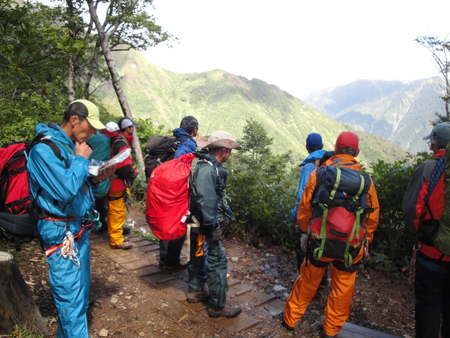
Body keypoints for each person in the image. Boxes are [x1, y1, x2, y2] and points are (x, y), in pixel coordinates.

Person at [27, 99, 115, 337]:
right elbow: (64, 190)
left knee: (80, 296)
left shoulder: (68, 147)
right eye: (90, 126)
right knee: (70, 300)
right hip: (58, 231)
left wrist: (97, 179)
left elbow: (77, 190)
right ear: (74, 120)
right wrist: (80, 159)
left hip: (76, 226)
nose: (93, 132)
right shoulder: (43, 150)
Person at [283, 131, 379, 337]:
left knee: (308, 281)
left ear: (335, 149)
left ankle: (290, 320)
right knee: (342, 288)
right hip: (350, 246)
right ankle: (331, 329)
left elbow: (305, 207)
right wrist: (366, 240)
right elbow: (372, 217)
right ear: (357, 152)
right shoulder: (366, 181)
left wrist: (303, 231)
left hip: (319, 240)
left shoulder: (319, 174)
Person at [187, 131, 242, 318]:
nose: (229, 155)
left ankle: (195, 290)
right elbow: (206, 200)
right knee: (217, 261)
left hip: (194, 220)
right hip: (204, 222)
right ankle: (217, 306)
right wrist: (214, 226)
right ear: (224, 151)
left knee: (197, 254)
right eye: (230, 151)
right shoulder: (208, 169)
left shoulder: (202, 164)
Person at [402, 122, 450, 338]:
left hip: (432, 253)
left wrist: (418, 234)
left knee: (429, 305)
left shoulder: (429, 168)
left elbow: (412, 208)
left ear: (436, 143)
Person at [159, 116, 199, 270]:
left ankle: (164, 258)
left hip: (162, 187)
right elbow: (179, 167)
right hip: (176, 191)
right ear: (194, 129)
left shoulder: (172, 140)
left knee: (165, 222)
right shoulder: (188, 144)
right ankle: (172, 261)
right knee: (178, 223)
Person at [291, 133, 326, 270]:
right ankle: (321, 282)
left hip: (309, 216)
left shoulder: (308, 167)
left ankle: (304, 281)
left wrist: (296, 216)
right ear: (322, 146)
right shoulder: (331, 164)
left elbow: (302, 195)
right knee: (321, 249)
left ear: (306, 147)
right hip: (326, 216)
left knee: (303, 248)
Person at [105, 117, 139, 250]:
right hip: (117, 183)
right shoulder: (122, 144)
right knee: (117, 211)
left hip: (109, 180)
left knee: (113, 209)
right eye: (132, 127)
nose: (133, 130)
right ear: (127, 128)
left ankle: (116, 235)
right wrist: (132, 173)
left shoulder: (113, 140)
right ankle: (116, 240)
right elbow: (124, 168)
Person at [86, 121, 120, 233]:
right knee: (100, 201)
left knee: (93, 199)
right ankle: (101, 224)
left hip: (89, 169)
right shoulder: (107, 140)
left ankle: (93, 222)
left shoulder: (91, 139)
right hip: (102, 172)